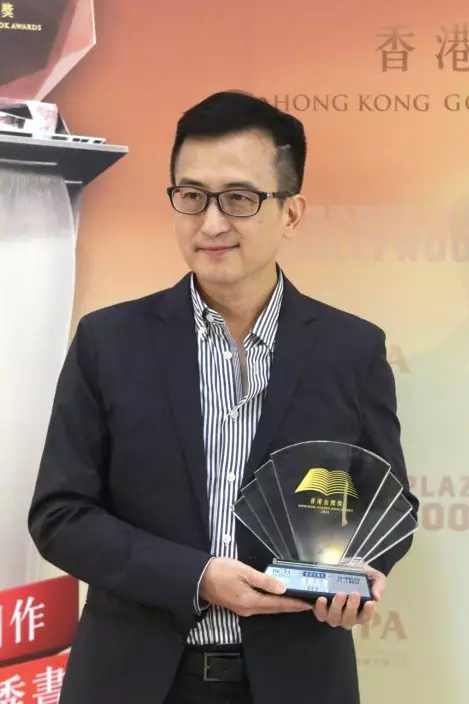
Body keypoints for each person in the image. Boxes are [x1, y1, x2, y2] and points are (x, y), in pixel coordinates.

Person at [28, 90, 418, 704]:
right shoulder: (109, 342)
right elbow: (60, 515)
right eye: (192, 196)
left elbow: (387, 506)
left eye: (239, 198)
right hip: (132, 680)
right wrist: (198, 577)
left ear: (291, 213)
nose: (211, 223)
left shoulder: (351, 349)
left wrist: (357, 576)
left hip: (298, 679)